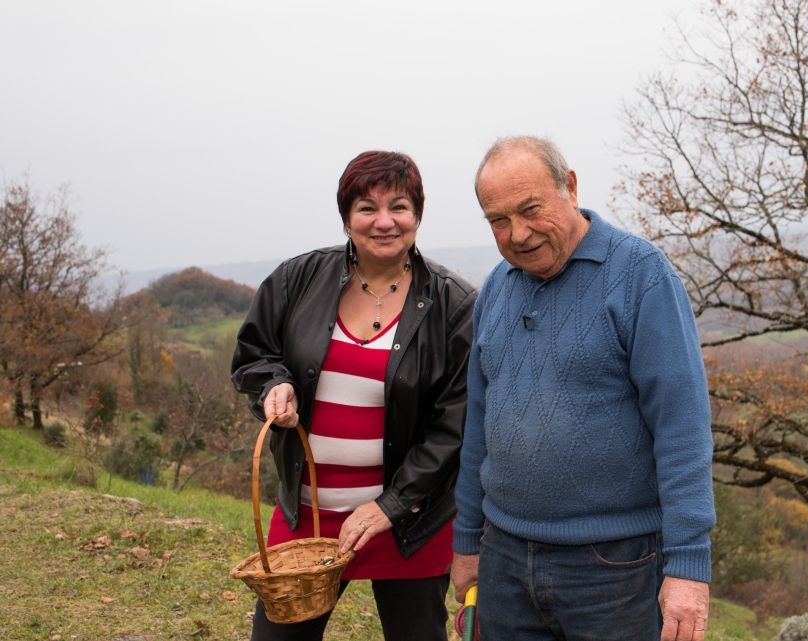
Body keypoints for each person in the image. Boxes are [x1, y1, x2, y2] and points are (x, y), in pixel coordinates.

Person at [451, 136, 715, 641]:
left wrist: (687, 565)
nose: (519, 234)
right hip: (504, 557)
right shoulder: (495, 289)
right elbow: (478, 430)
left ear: (569, 188)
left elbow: (682, 429)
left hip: (616, 567)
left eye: (531, 210)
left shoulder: (642, 276)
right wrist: (467, 541)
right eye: (498, 221)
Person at [231, 150, 476, 641]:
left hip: (408, 525)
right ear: (347, 218)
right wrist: (273, 385)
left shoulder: (455, 304)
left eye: (399, 206)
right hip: (308, 518)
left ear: (418, 215)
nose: (384, 221)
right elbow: (254, 355)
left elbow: (457, 425)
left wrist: (391, 505)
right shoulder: (295, 280)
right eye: (367, 207)